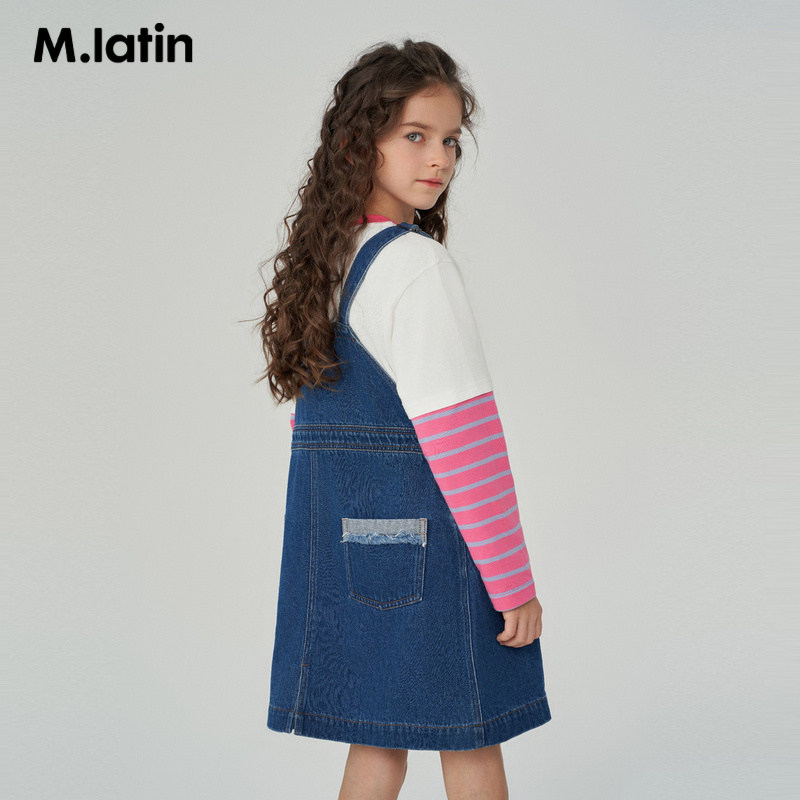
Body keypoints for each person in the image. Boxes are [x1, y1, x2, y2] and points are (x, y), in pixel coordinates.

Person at [256, 39, 551, 800]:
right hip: (434, 556)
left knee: (377, 739)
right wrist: (511, 582)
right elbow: (463, 440)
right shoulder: (416, 265)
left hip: (347, 551)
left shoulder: (329, 264)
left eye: (450, 140)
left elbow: (321, 433)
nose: (439, 158)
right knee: (471, 736)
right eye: (415, 135)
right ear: (363, 141)